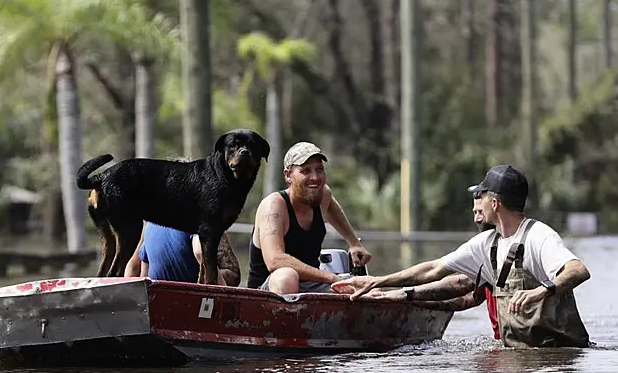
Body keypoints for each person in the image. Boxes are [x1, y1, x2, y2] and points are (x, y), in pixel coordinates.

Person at [344, 165, 590, 347]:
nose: (476, 207)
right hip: (520, 353)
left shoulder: (539, 236)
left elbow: (577, 270)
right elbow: (434, 269)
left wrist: (541, 290)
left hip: (559, 356)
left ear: (494, 203)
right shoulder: (486, 243)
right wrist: (377, 282)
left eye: (480, 197)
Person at [356, 192, 501, 339]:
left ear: (495, 205)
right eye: (475, 212)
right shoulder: (484, 251)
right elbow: (466, 299)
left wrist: (387, 287)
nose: (477, 218)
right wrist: (394, 297)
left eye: (481, 211)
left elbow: (456, 280)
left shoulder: (513, 248)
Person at [246, 141, 371, 294]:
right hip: (269, 291)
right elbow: (275, 260)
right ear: (288, 175)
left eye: (319, 170)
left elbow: (331, 206)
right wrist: (331, 278)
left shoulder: (322, 194)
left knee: (363, 291)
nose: (315, 177)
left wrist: (353, 242)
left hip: (312, 286)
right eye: (306, 171)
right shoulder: (273, 206)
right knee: (286, 276)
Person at [124, 221, 240, 286]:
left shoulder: (151, 220)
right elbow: (200, 251)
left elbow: (143, 274)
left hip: (159, 303)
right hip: (189, 301)